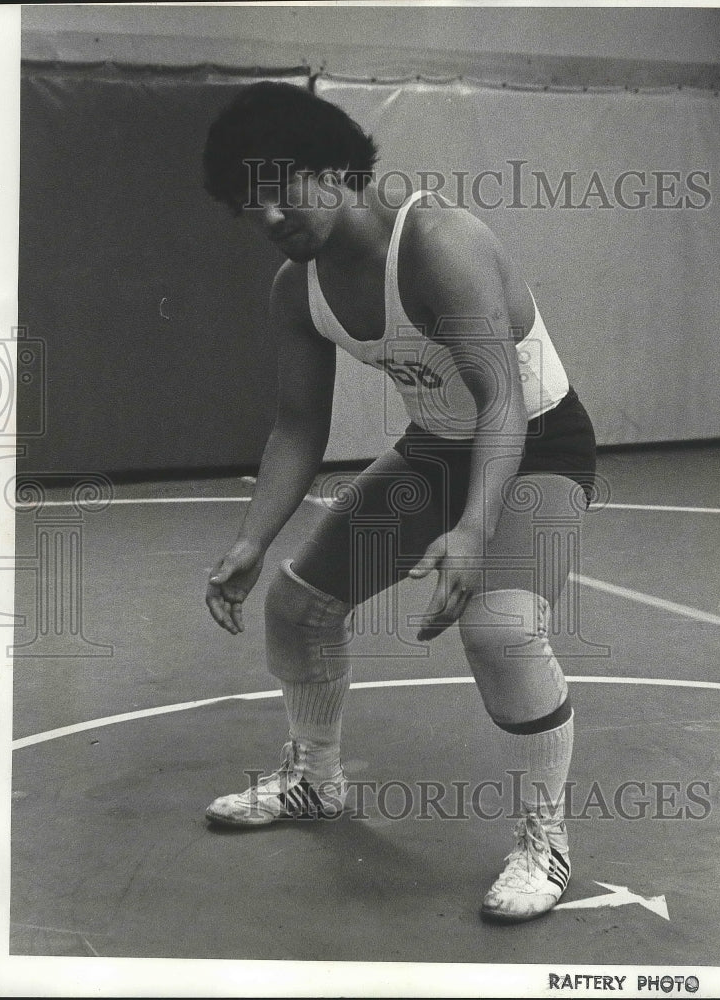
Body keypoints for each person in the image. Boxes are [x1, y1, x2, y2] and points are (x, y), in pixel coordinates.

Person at [201, 81, 597, 923]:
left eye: (277, 191)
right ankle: (315, 781)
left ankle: (546, 838)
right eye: (248, 207)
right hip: (436, 451)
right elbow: (298, 426)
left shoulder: (439, 244)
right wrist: (251, 541)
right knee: (298, 605)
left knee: (499, 627)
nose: (268, 218)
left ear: (334, 168)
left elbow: (502, 405)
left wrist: (470, 531)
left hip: (539, 444)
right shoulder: (295, 289)